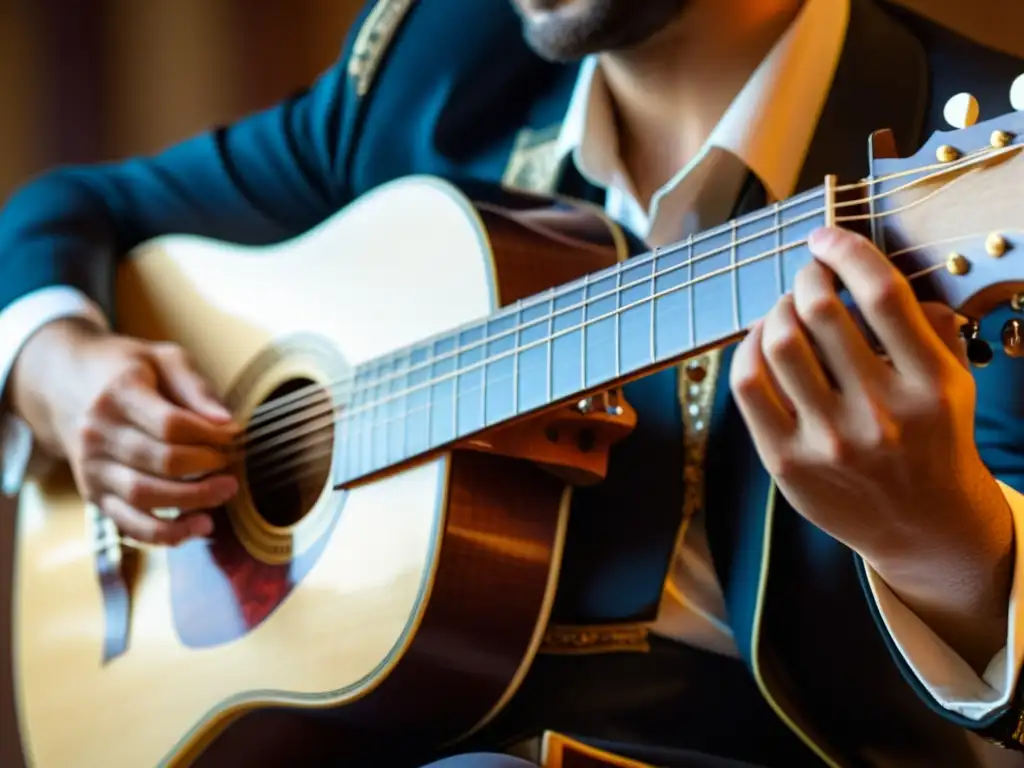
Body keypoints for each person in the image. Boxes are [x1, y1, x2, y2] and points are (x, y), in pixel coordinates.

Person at [2, 0, 1024, 765]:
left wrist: (945, 542)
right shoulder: (441, 62)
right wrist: (59, 368)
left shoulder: (971, 170)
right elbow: (81, 210)